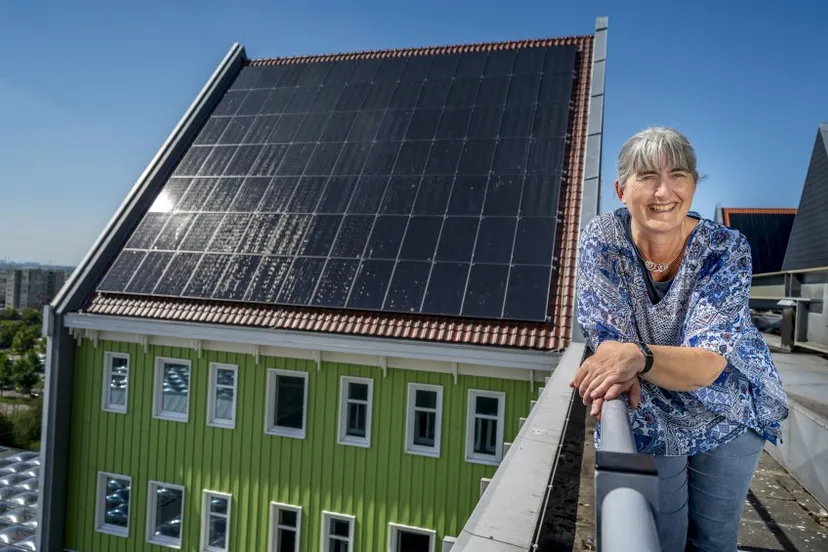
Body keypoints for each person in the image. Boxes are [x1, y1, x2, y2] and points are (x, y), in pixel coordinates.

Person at [570, 127, 789, 552]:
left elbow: (707, 362)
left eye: (680, 176)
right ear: (621, 188)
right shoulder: (602, 241)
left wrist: (637, 355)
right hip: (649, 407)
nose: (664, 190)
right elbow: (610, 345)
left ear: (693, 185)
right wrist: (627, 356)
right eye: (648, 175)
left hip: (729, 407)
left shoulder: (724, 248)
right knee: (658, 539)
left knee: (712, 541)